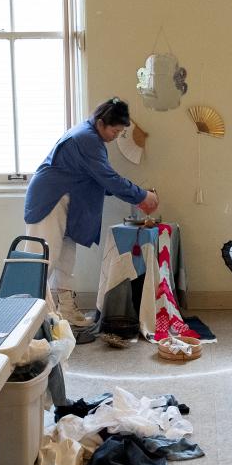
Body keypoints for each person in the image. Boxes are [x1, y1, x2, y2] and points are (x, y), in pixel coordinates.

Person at [24, 97, 159, 325]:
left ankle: (66, 310)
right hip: (50, 198)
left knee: (66, 256)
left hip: (64, 198)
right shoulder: (87, 139)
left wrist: (136, 195)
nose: (115, 137)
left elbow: (99, 180)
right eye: (114, 131)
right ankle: (30, 317)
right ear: (100, 123)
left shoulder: (90, 137)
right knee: (45, 258)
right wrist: (143, 196)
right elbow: (109, 178)